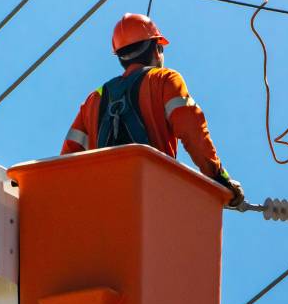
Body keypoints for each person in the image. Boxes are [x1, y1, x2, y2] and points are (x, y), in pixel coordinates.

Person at [62, 13, 244, 206]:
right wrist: (219, 178)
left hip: (104, 201)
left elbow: (66, 163)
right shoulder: (165, 79)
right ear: (157, 49)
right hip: (152, 196)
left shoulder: (94, 100)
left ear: (120, 57)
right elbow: (192, 130)